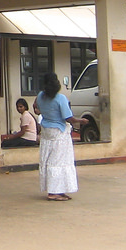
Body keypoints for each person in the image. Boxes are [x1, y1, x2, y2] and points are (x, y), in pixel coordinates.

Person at [36, 72, 89, 201]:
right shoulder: (61, 98)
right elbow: (68, 118)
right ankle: (54, 191)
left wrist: (45, 112)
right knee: (59, 162)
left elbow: (35, 107)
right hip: (59, 132)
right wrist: (81, 121)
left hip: (46, 131)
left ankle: (56, 190)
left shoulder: (40, 96)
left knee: (49, 161)